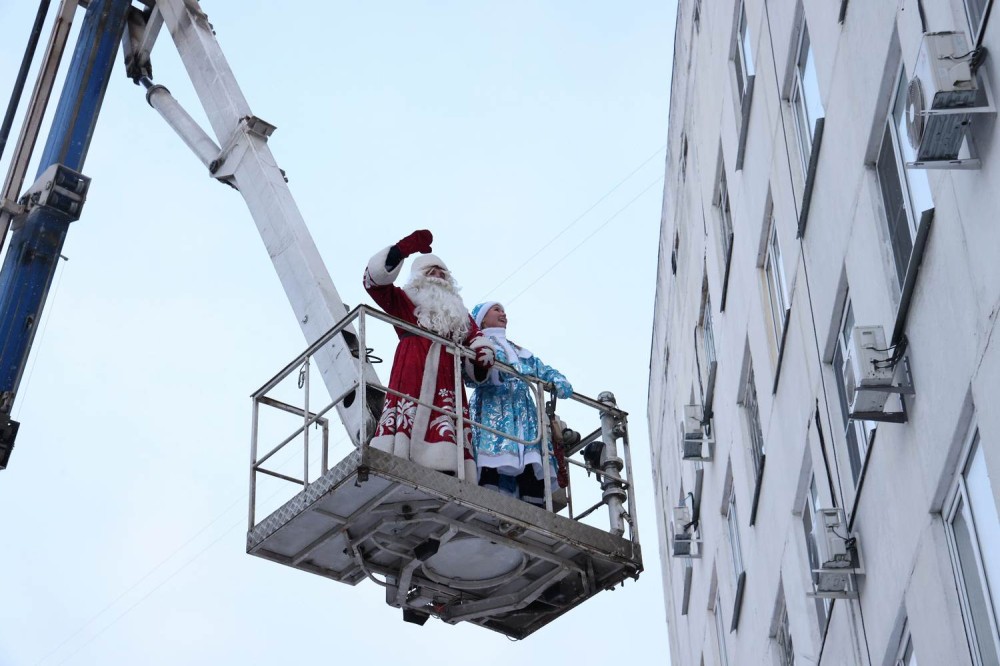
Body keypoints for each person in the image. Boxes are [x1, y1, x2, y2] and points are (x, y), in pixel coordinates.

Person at [363, 230, 495, 480]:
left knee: (447, 416)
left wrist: (482, 352)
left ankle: (447, 462)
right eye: (431, 272)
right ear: (419, 278)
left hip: (448, 370)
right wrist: (401, 250)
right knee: (410, 409)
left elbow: (476, 338)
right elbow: (375, 283)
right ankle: (401, 454)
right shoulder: (404, 301)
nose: (438, 276)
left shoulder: (458, 313)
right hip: (413, 366)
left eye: (442, 272)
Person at [468, 301, 573, 507]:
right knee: (494, 457)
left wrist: (559, 382)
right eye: (496, 310)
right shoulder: (479, 343)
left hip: (523, 412)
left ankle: (531, 502)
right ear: (481, 319)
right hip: (494, 409)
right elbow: (470, 374)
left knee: (528, 458)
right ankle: (490, 499)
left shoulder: (519, 350)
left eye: (504, 311)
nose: (503, 314)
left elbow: (541, 369)